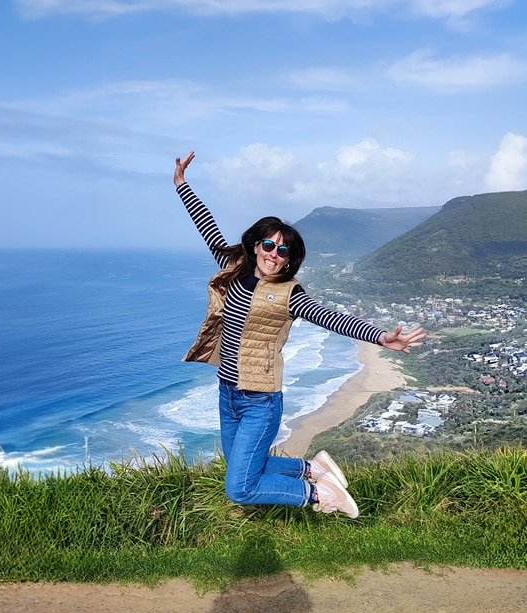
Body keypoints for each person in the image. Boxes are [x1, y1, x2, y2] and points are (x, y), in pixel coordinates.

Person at [174, 151, 426, 518]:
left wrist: (382, 338)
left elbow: (330, 318)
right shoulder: (234, 268)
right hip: (227, 394)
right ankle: (313, 468)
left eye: (283, 250)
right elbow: (207, 226)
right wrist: (182, 185)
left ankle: (319, 495)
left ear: (289, 258)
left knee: (240, 487)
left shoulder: (289, 293)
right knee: (242, 468)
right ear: (255, 244)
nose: (274, 254)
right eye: (268, 245)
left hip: (260, 401)